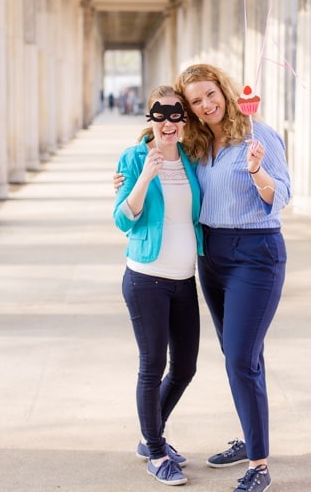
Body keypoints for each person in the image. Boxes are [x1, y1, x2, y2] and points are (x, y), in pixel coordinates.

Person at [175, 63, 290, 492]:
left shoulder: (258, 135)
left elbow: (282, 195)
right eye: (195, 102)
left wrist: (258, 170)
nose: (206, 105)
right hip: (213, 255)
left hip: (256, 254)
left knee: (242, 357)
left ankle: (259, 466)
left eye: (210, 94)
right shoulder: (199, 143)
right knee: (238, 356)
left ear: (223, 90)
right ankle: (250, 436)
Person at [114, 85, 203, 487]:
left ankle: (152, 435)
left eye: (176, 115)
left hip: (184, 280)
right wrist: (144, 176)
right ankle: (155, 451)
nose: (168, 123)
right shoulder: (133, 159)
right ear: (149, 118)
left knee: (184, 367)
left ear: (185, 120)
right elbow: (123, 219)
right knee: (152, 367)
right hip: (146, 279)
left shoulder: (191, 159)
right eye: (160, 115)